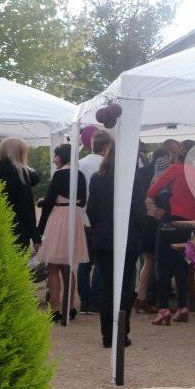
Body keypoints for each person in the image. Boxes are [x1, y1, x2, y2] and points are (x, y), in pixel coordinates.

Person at [87, 142, 147, 348]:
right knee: (125, 287)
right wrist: (138, 230)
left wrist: (100, 227)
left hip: (103, 238)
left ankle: (107, 334)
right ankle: (121, 332)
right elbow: (140, 211)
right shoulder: (132, 179)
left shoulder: (97, 178)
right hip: (128, 238)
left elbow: (92, 210)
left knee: (108, 287)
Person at [147, 139, 195, 325]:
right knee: (180, 264)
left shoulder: (174, 170)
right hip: (188, 222)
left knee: (163, 264)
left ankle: (163, 308)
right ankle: (183, 306)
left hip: (170, 220)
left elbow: (152, 191)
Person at [36, 143, 88, 323]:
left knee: (53, 266)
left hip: (58, 218)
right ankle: (70, 306)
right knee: (68, 265)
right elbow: (83, 201)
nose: (53, 160)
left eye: (56, 155)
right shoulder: (80, 174)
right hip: (74, 218)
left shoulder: (59, 175)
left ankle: (55, 308)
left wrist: (40, 228)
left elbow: (50, 202)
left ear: (63, 156)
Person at [77, 129, 111, 315]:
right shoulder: (107, 165)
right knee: (99, 261)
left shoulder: (80, 163)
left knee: (84, 261)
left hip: (83, 218)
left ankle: (84, 300)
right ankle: (95, 301)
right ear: (106, 146)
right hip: (101, 218)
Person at [134, 147, 170, 313]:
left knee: (148, 262)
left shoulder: (145, 174)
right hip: (154, 223)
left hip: (145, 222)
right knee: (155, 262)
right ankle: (149, 298)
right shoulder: (160, 180)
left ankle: (141, 297)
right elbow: (160, 208)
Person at [0, 137, 41, 249]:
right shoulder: (19, 175)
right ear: (19, 154)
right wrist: (35, 237)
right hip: (18, 229)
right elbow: (26, 207)